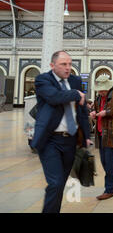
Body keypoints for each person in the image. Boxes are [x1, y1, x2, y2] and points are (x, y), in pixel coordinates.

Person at [31, 50, 92, 213]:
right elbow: (54, 97)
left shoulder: (75, 80)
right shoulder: (43, 80)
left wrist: (86, 135)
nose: (68, 68)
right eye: (63, 64)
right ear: (52, 65)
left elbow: (82, 111)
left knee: (60, 183)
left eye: (70, 64)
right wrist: (76, 94)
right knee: (55, 182)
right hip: (50, 140)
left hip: (70, 140)